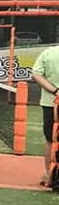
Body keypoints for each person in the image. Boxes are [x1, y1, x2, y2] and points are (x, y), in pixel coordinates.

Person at [31, 43, 59, 187]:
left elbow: (36, 74)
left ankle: (49, 175)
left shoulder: (49, 53)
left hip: (50, 103)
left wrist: (55, 91)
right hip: (51, 103)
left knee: (50, 139)